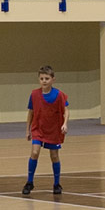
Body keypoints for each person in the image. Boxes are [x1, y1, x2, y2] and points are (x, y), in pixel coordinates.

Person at [23, 65, 69, 195]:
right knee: (35, 152)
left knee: (54, 156)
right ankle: (29, 182)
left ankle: (56, 184)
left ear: (53, 79)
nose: (44, 81)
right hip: (38, 128)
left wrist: (65, 123)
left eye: (47, 78)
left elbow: (66, 110)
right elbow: (31, 113)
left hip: (53, 129)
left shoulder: (59, 95)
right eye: (42, 78)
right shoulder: (34, 94)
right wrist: (28, 130)